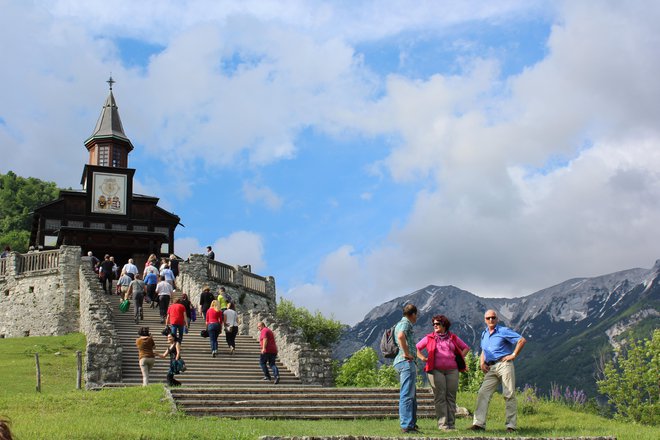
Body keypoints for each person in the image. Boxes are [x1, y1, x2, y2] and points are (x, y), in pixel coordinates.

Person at [469, 310, 527, 433]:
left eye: (493, 318)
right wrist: (481, 363)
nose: (491, 320)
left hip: (504, 365)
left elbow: (521, 340)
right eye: (488, 318)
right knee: (482, 393)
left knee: (509, 394)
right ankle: (479, 424)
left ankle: (511, 426)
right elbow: (484, 350)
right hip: (490, 368)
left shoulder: (503, 331)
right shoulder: (484, 333)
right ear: (485, 320)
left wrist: (513, 355)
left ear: (497, 319)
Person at [416, 315, 469, 431]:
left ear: (444, 325)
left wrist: (460, 357)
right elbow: (416, 348)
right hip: (435, 371)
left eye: (437, 324)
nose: (435, 326)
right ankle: (443, 425)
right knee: (440, 397)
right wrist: (423, 358)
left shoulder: (453, 337)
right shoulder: (429, 338)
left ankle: (451, 425)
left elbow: (465, 348)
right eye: (434, 324)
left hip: (452, 371)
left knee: (451, 397)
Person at [394, 303, 420, 434]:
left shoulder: (399, 323)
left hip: (402, 363)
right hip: (406, 362)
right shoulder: (406, 323)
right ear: (413, 314)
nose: (416, 318)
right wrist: (406, 353)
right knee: (407, 395)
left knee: (412, 395)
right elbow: (400, 336)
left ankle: (412, 423)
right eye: (416, 315)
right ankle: (406, 425)